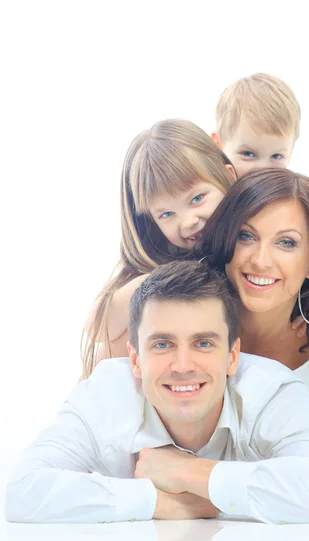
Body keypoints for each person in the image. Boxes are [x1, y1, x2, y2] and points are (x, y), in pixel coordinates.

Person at [5, 261, 309, 525]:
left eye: (204, 343)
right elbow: (22, 492)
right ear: (135, 359)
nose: (183, 364)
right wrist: (164, 502)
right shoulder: (105, 393)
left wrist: (191, 473)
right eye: (162, 344)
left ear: (233, 356)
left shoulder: (270, 391)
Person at [196, 168, 309, 471]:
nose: (260, 260)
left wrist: (196, 477)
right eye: (245, 236)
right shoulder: (186, 318)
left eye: (286, 243)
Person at [82, 118, 236, 378]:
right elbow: (97, 328)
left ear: (228, 177)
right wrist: (161, 281)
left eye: (197, 198)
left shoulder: (254, 238)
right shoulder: (168, 260)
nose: (188, 222)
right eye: (166, 214)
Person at [211, 73, 301, 177]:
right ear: (218, 145)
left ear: (290, 153)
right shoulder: (211, 191)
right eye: (248, 154)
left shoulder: (292, 191)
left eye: (276, 156)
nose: (263, 171)